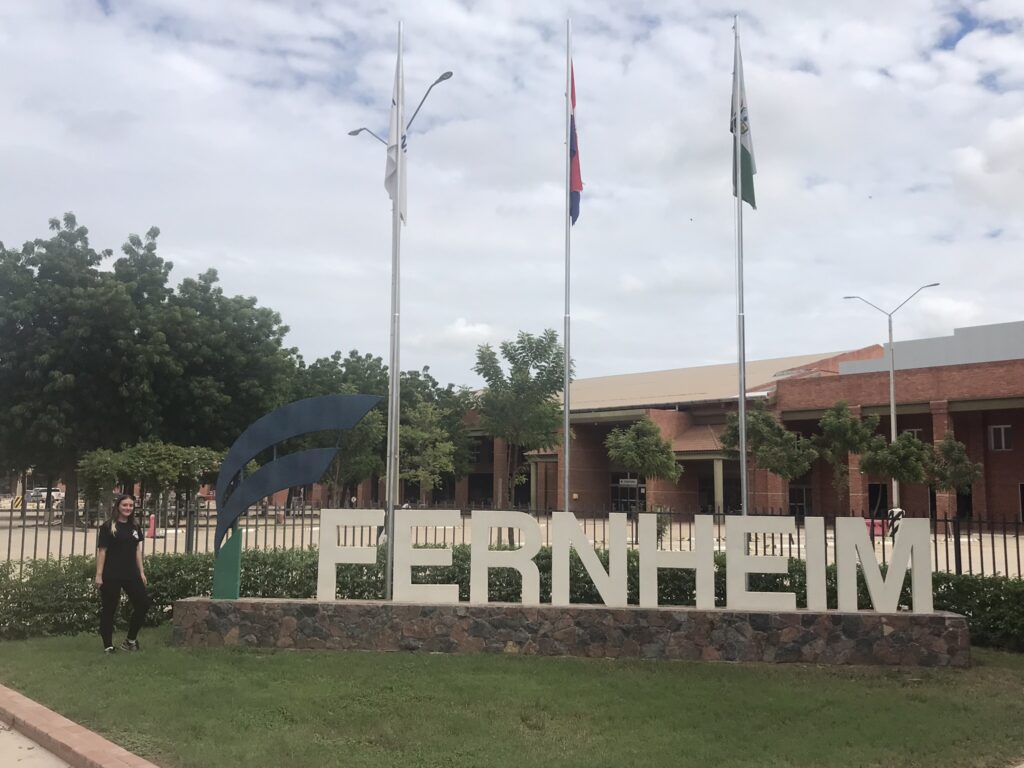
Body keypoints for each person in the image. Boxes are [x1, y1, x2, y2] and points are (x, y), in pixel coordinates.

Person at [94, 494, 150, 654]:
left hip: (131, 573)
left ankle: (130, 641)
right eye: (125, 505)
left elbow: (137, 550)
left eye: (131, 506)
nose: (128, 508)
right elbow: (102, 551)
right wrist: (99, 574)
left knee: (143, 604)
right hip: (111, 573)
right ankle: (108, 646)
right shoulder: (108, 526)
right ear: (118, 506)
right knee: (109, 609)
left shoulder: (135, 526)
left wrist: (141, 572)